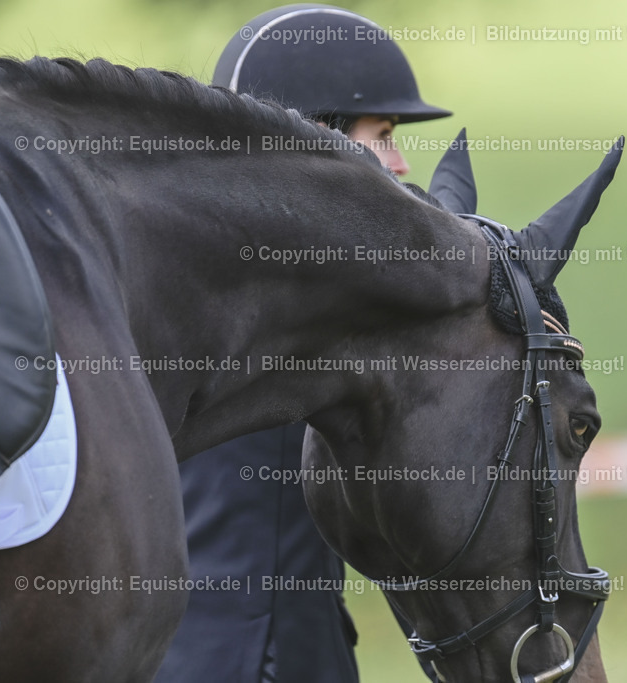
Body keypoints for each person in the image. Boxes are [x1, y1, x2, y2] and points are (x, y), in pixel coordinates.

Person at [155, 6, 450, 682]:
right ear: (317, 138)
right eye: (385, 134)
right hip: (272, 657)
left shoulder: (179, 267)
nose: (402, 164)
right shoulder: (320, 296)